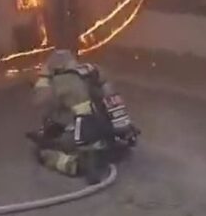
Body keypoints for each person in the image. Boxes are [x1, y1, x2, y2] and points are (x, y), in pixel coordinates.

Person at [26, 49, 139, 183]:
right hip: (113, 135)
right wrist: (125, 131)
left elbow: (42, 103)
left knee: (42, 152)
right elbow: (112, 100)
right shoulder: (93, 71)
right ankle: (107, 150)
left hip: (89, 142)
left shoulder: (63, 81)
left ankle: (76, 165)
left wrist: (44, 78)